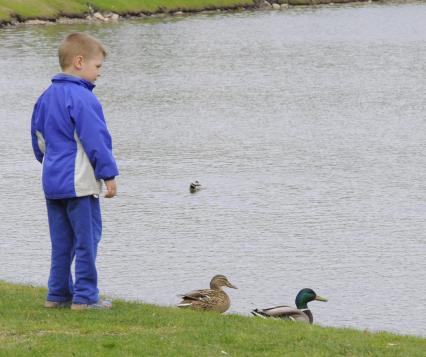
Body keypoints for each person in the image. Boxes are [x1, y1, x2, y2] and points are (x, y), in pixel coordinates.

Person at [30, 32, 119, 310]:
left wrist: (51, 165)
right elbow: (96, 140)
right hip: (79, 183)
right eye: (98, 67)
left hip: (52, 182)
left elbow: (38, 140)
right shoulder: (83, 97)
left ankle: (56, 295)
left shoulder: (45, 97)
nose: (99, 73)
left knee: (61, 243)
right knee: (87, 240)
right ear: (79, 62)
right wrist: (109, 175)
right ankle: (85, 297)